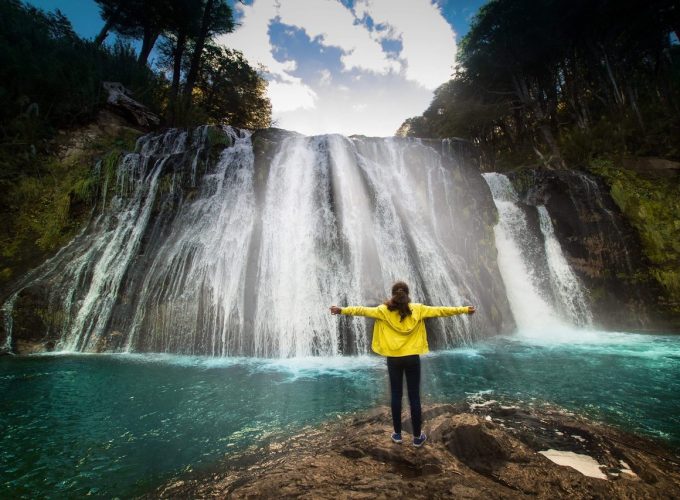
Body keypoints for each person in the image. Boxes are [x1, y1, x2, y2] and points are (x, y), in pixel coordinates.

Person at [330, 281, 475, 447]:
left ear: (393, 294)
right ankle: (417, 437)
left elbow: (361, 310)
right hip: (412, 358)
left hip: (394, 358)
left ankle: (397, 434)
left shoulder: (383, 310)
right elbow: (441, 311)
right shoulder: (418, 309)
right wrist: (465, 309)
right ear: (407, 294)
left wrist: (341, 310)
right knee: (414, 397)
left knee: (396, 395)